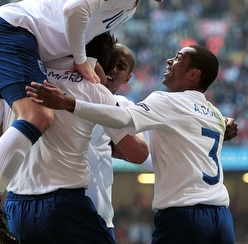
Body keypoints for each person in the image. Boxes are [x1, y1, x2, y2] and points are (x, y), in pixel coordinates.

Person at [0, 0, 181, 242]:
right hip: (13, 32)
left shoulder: (129, 1)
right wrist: (81, 61)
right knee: (38, 117)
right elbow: (75, 9)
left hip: (6, 33)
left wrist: (84, 59)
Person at [26, 44, 237, 244]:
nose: (169, 60)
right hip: (220, 215)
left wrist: (68, 103)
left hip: (184, 214)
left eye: (179, 58)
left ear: (193, 74)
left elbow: (123, 118)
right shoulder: (214, 113)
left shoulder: (166, 102)